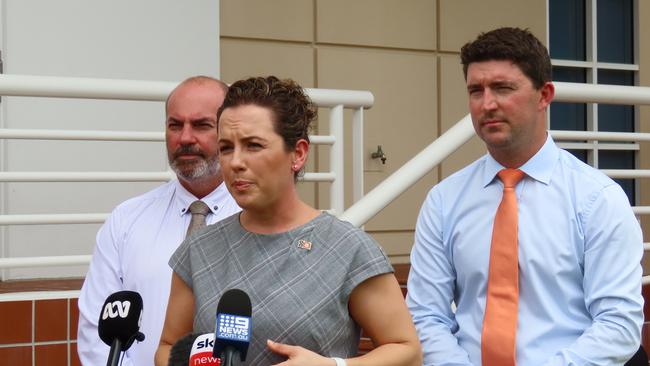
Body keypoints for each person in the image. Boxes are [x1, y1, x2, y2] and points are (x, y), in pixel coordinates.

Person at [407, 27, 644, 365]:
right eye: (476, 90)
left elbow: (618, 325)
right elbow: (425, 315)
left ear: (544, 95)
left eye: (503, 88)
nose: (487, 104)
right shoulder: (444, 200)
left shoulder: (598, 199)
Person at [154, 76, 422, 366]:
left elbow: (408, 351)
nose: (235, 162)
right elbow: (168, 346)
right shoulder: (200, 248)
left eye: (253, 145)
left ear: (298, 153)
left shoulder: (347, 249)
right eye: (226, 147)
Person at [77, 76, 241, 366]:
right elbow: (96, 334)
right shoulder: (126, 220)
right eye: (175, 125)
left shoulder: (257, 219)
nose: (185, 138)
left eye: (201, 125)